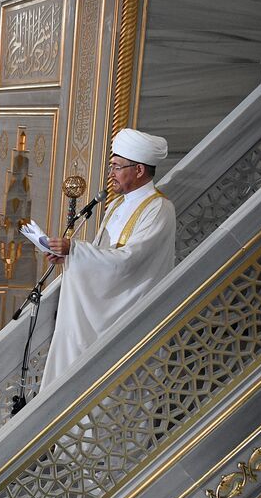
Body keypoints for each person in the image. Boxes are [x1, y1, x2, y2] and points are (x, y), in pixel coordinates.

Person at [37, 127, 176, 388]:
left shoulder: (159, 209)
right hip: (100, 306)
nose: (110, 174)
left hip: (129, 314)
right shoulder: (115, 205)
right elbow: (100, 255)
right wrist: (67, 257)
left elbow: (129, 261)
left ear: (139, 170)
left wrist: (75, 250)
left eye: (117, 167)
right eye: (111, 166)